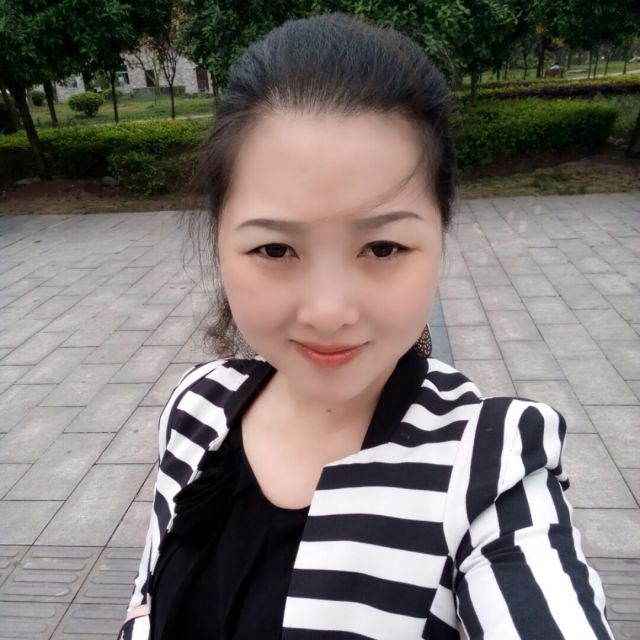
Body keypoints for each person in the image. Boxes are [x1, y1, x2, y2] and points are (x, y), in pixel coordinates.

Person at [118, 13, 613, 640]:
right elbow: (147, 600)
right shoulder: (197, 408)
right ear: (220, 241)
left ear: (440, 236)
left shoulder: (490, 469)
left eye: (382, 248)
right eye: (274, 249)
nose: (328, 312)